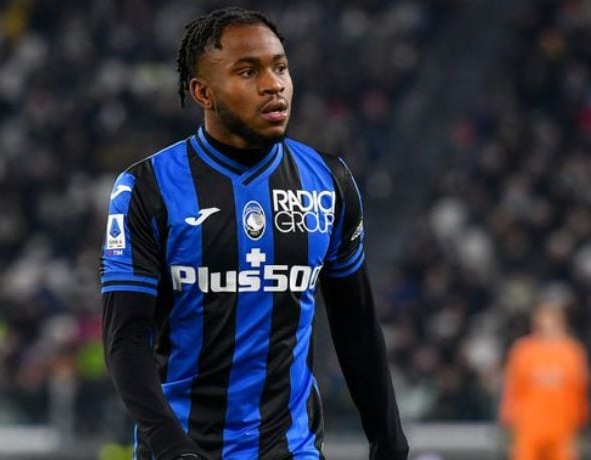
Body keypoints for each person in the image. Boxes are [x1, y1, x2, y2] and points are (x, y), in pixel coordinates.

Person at [99, 7, 408, 460]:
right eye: (248, 71)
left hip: (293, 450)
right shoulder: (148, 188)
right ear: (203, 92)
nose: (273, 84)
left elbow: (356, 325)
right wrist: (172, 447)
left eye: (280, 67)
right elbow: (125, 340)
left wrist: (389, 442)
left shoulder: (329, 182)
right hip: (183, 448)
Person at [500, 302, 590, 460]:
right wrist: (509, 423)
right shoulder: (523, 351)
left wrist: (580, 426)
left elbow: (580, 391)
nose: (548, 324)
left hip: (562, 427)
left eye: (552, 319)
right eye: (544, 319)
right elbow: (513, 390)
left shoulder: (572, 353)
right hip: (529, 426)